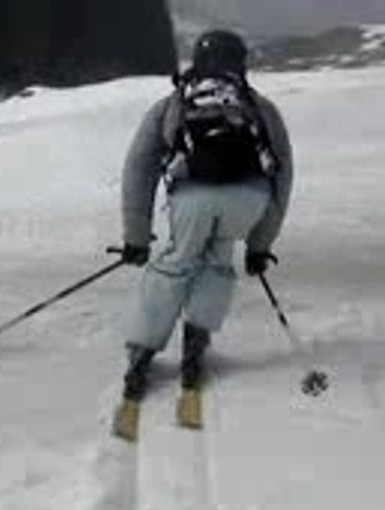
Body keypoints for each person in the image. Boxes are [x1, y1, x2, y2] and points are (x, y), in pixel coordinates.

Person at [116, 29, 295, 410]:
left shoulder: (173, 103)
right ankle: (195, 346)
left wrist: (136, 236)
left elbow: (139, 167)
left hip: (193, 197)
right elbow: (282, 175)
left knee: (175, 266)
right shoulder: (258, 107)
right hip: (249, 198)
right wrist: (260, 244)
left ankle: (143, 353)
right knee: (217, 262)